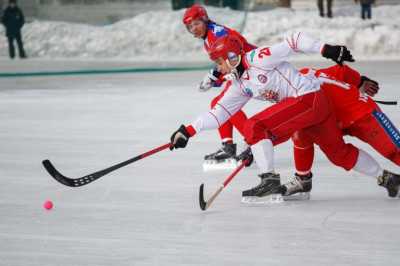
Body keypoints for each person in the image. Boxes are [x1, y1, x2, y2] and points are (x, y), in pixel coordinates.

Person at [168, 31, 400, 199]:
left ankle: (268, 178)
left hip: (310, 99)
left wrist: (325, 49)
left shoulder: (258, 58)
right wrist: (188, 131)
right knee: (338, 155)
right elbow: (219, 112)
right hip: (313, 111)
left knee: (254, 126)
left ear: (231, 56)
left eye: (219, 62)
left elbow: (294, 39)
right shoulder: (239, 84)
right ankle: (388, 178)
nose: (218, 69)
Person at [281, 64, 400, 197]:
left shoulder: (305, 76)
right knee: (302, 133)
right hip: (334, 122)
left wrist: (359, 81)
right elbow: (341, 71)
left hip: (361, 113)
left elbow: (341, 71)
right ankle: (303, 180)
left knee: (393, 150)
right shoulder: (286, 93)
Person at [182, 4, 256, 162]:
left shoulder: (216, 33)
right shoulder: (208, 38)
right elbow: (225, 62)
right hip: (243, 69)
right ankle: (229, 145)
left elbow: (234, 54)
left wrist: (213, 76)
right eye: (190, 27)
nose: (193, 29)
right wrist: (214, 79)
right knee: (218, 102)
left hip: (250, 68)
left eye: (196, 23)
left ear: (205, 19)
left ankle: (252, 142)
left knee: (224, 104)